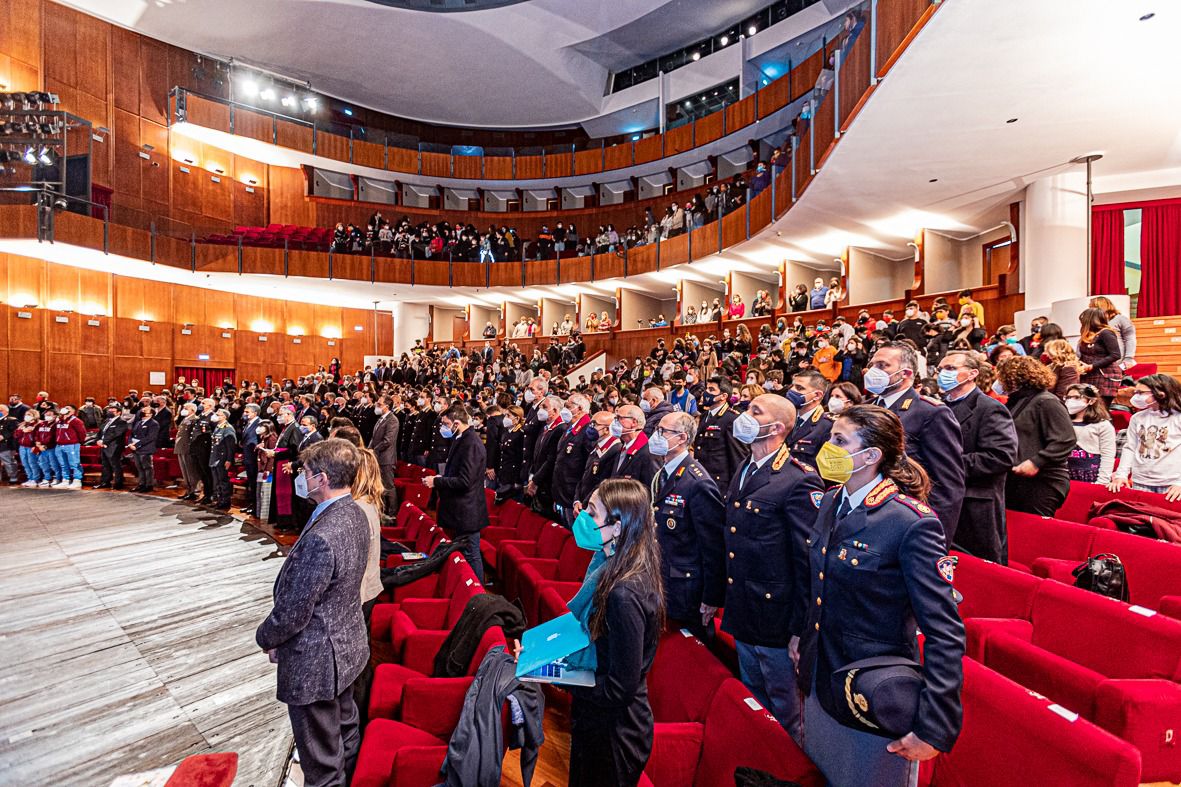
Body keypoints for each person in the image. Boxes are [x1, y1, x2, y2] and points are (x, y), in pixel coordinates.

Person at [799, 404, 965, 787]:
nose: (828, 447)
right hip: (821, 675)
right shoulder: (831, 500)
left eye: (840, 440)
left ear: (871, 456)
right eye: (830, 437)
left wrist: (934, 726)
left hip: (871, 690)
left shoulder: (910, 522)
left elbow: (944, 631)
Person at [256, 438, 369, 787]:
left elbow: (294, 611)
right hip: (346, 648)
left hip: (316, 661)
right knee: (344, 736)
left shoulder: (324, 535)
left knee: (321, 763)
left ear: (320, 479)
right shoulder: (355, 512)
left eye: (304, 472)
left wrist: (266, 637)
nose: (300, 478)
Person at [721, 393, 824, 740]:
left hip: (776, 616)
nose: (744, 415)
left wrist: (800, 628)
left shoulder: (798, 479)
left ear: (777, 427)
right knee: (754, 699)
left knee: (784, 710)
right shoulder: (747, 466)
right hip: (744, 606)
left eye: (754, 411)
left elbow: (806, 561)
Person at [563, 478, 664, 787]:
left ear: (617, 527)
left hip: (615, 734)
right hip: (598, 720)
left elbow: (620, 688)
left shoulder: (624, 592)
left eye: (592, 513)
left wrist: (562, 679)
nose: (583, 518)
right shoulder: (611, 562)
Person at [865, 342, 966, 544]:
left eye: (883, 366)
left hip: (905, 516)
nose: (874, 371)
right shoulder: (866, 408)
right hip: (866, 512)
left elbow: (947, 484)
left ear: (906, 373)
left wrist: (933, 536)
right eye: (873, 365)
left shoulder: (930, 412)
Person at [937, 351, 1019, 563]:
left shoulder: (989, 408)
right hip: (943, 498)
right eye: (940, 370)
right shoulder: (939, 407)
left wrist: (944, 465)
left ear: (972, 373)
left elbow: (1001, 456)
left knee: (979, 569)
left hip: (975, 502)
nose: (942, 374)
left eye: (950, 369)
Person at [649, 411, 724, 639]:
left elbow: (713, 546)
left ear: (681, 438)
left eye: (663, 431)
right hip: (662, 575)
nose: (656, 436)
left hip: (685, 587)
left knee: (691, 648)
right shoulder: (663, 472)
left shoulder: (697, 482)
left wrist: (711, 598)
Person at [998, 356, 1076, 516]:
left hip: (1043, 480)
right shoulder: (1016, 402)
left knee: (1032, 532)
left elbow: (1065, 439)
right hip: (1017, 480)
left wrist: (1036, 462)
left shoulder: (1046, 401)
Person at [423, 403, 490, 581]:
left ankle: (478, 595)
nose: (443, 428)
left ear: (456, 423)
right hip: (460, 509)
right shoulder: (461, 439)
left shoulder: (471, 443)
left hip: (467, 510)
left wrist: (437, 481)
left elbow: (465, 481)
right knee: (465, 552)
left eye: (445, 424)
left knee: (471, 553)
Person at [1107, 374, 1181, 500]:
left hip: (1171, 483)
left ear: (1161, 393)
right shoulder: (1137, 418)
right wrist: (1121, 475)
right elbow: (1130, 448)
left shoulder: (1177, 417)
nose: (1136, 396)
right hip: (1140, 481)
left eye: (1141, 393)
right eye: (1136, 392)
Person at [693, 376, 748, 490]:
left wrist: (734, 490)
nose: (706, 393)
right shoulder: (704, 416)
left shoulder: (731, 419)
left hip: (720, 484)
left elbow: (738, 459)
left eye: (712, 390)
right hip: (703, 478)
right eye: (707, 389)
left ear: (723, 396)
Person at [1064, 384, 1117, 484]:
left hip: (1090, 474)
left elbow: (1108, 455)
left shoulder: (1102, 425)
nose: (1070, 401)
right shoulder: (1063, 422)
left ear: (1091, 401)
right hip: (1066, 473)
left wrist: (1102, 481)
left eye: (1076, 397)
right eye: (1068, 397)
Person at [787, 370, 836, 468]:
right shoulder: (785, 416)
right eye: (792, 386)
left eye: (799, 388)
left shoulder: (828, 426)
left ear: (817, 395)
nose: (792, 390)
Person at [1076, 307, 1123, 403]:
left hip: (1105, 376)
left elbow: (1116, 355)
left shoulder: (1106, 333)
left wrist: (1092, 366)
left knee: (1101, 409)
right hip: (1089, 376)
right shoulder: (1086, 336)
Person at [608, 404, 657, 488]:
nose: (614, 422)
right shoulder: (623, 447)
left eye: (619, 418)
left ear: (634, 422)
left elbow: (649, 490)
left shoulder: (648, 453)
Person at [369, 395, 399, 513]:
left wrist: (374, 450)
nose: (377, 405)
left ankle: (392, 513)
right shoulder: (380, 419)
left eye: (379, 404)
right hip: (377, 457)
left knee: (388, 487)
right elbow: (374, 437)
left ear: (387, 407)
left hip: (386, 459)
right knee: (379, 486)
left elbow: (388, 440)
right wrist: (369, 449)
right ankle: (383, 510)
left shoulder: (392, 420)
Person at [1090, 296, 1136, 368]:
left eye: (1092, 307)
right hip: (1100, 363)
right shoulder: (1094, 323)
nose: (1090, 310)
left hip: (1118, 362)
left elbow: (1130, 338)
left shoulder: (1120, 319)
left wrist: (1128, 358)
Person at [94, 404, 130, 490]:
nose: (110, 413)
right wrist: (97, 440)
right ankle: (105, 482)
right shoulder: (106, 421)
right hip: (103, 446)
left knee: (115, 465)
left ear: (119, 413)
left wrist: (104, 441)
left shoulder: (121, 422)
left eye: (113, 411)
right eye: (109, 411)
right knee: (105, 465)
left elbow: (116, 434)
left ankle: (118, 483)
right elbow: (100, 432)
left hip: (114, 447)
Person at [207, 409, 237, 511]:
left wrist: (229, 460)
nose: (215, 416)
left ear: (224, 417)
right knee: (217, 481)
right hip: (215, 458)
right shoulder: (218, 427)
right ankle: (219, 500)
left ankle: (225, 501)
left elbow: (230, 446)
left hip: (222, 459)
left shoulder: (228, 429)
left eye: (218, 415)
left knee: (223, 481)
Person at [52, 405, 87, 489]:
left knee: (74, 463)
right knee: (63, 464)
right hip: (59, 445)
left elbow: (82, 433)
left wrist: (77, 442)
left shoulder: (76, 421)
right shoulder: (59, 421)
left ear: (73, 411)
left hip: (71, 445)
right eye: (65, 407)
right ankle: (66, 480)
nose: (65, 409)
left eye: (68, 408)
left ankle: (77, 480)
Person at [127, 404, 160, 493]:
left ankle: (148, 485)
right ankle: (141, 484)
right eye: (143, 411)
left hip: (146, 449)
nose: (142, 412)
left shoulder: (153, 424)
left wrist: (136, 445)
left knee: (147, 467)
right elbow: (131, 434)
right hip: (136, 449)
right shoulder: (138, 422)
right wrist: (130, 443)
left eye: (145, 411)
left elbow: (150, 437)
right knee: (139, 467)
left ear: (151, 414)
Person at [173, 402, 200, 498]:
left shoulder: (195, 419)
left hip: (188, 448)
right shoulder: (185, 419)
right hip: (181, 447)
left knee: (191, 471)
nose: (183, 410)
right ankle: (188, 490)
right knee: (184, 471)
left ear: (192, 410)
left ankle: (194, 491)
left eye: (186, 408)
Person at [0, 404, 18, 485]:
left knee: (8, 462)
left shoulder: (11, 420)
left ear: (6, 411)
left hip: (6, 445)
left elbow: (14, 431)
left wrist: (3, 436)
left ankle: (13, 477)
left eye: (1, 410)